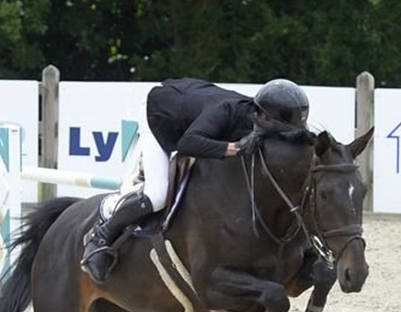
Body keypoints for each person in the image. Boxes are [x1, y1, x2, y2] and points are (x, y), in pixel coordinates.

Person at [81, 77, 311, 283]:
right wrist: (235, 148)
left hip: (190, 105)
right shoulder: (225, 111)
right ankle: (100, 237)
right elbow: (187, 144)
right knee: (157, 195)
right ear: (262, 117)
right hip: (161, 114)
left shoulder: (264, 119)